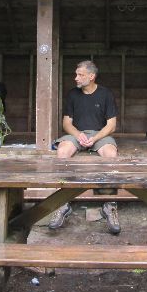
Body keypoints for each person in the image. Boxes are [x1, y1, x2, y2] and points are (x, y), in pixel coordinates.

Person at [49, 60, 121, 234]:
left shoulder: (105, 94)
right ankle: (63, 202)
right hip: (77, 134)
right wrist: (77, 135)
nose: (76, 78)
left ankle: (108, 203)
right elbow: (66, 123)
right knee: (62, 150)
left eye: (80, 75)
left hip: (99, 134)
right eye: (76, 74)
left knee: (111, 153)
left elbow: (111, 125)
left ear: (91, 76)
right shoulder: (73, 94)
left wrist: (95, 137)